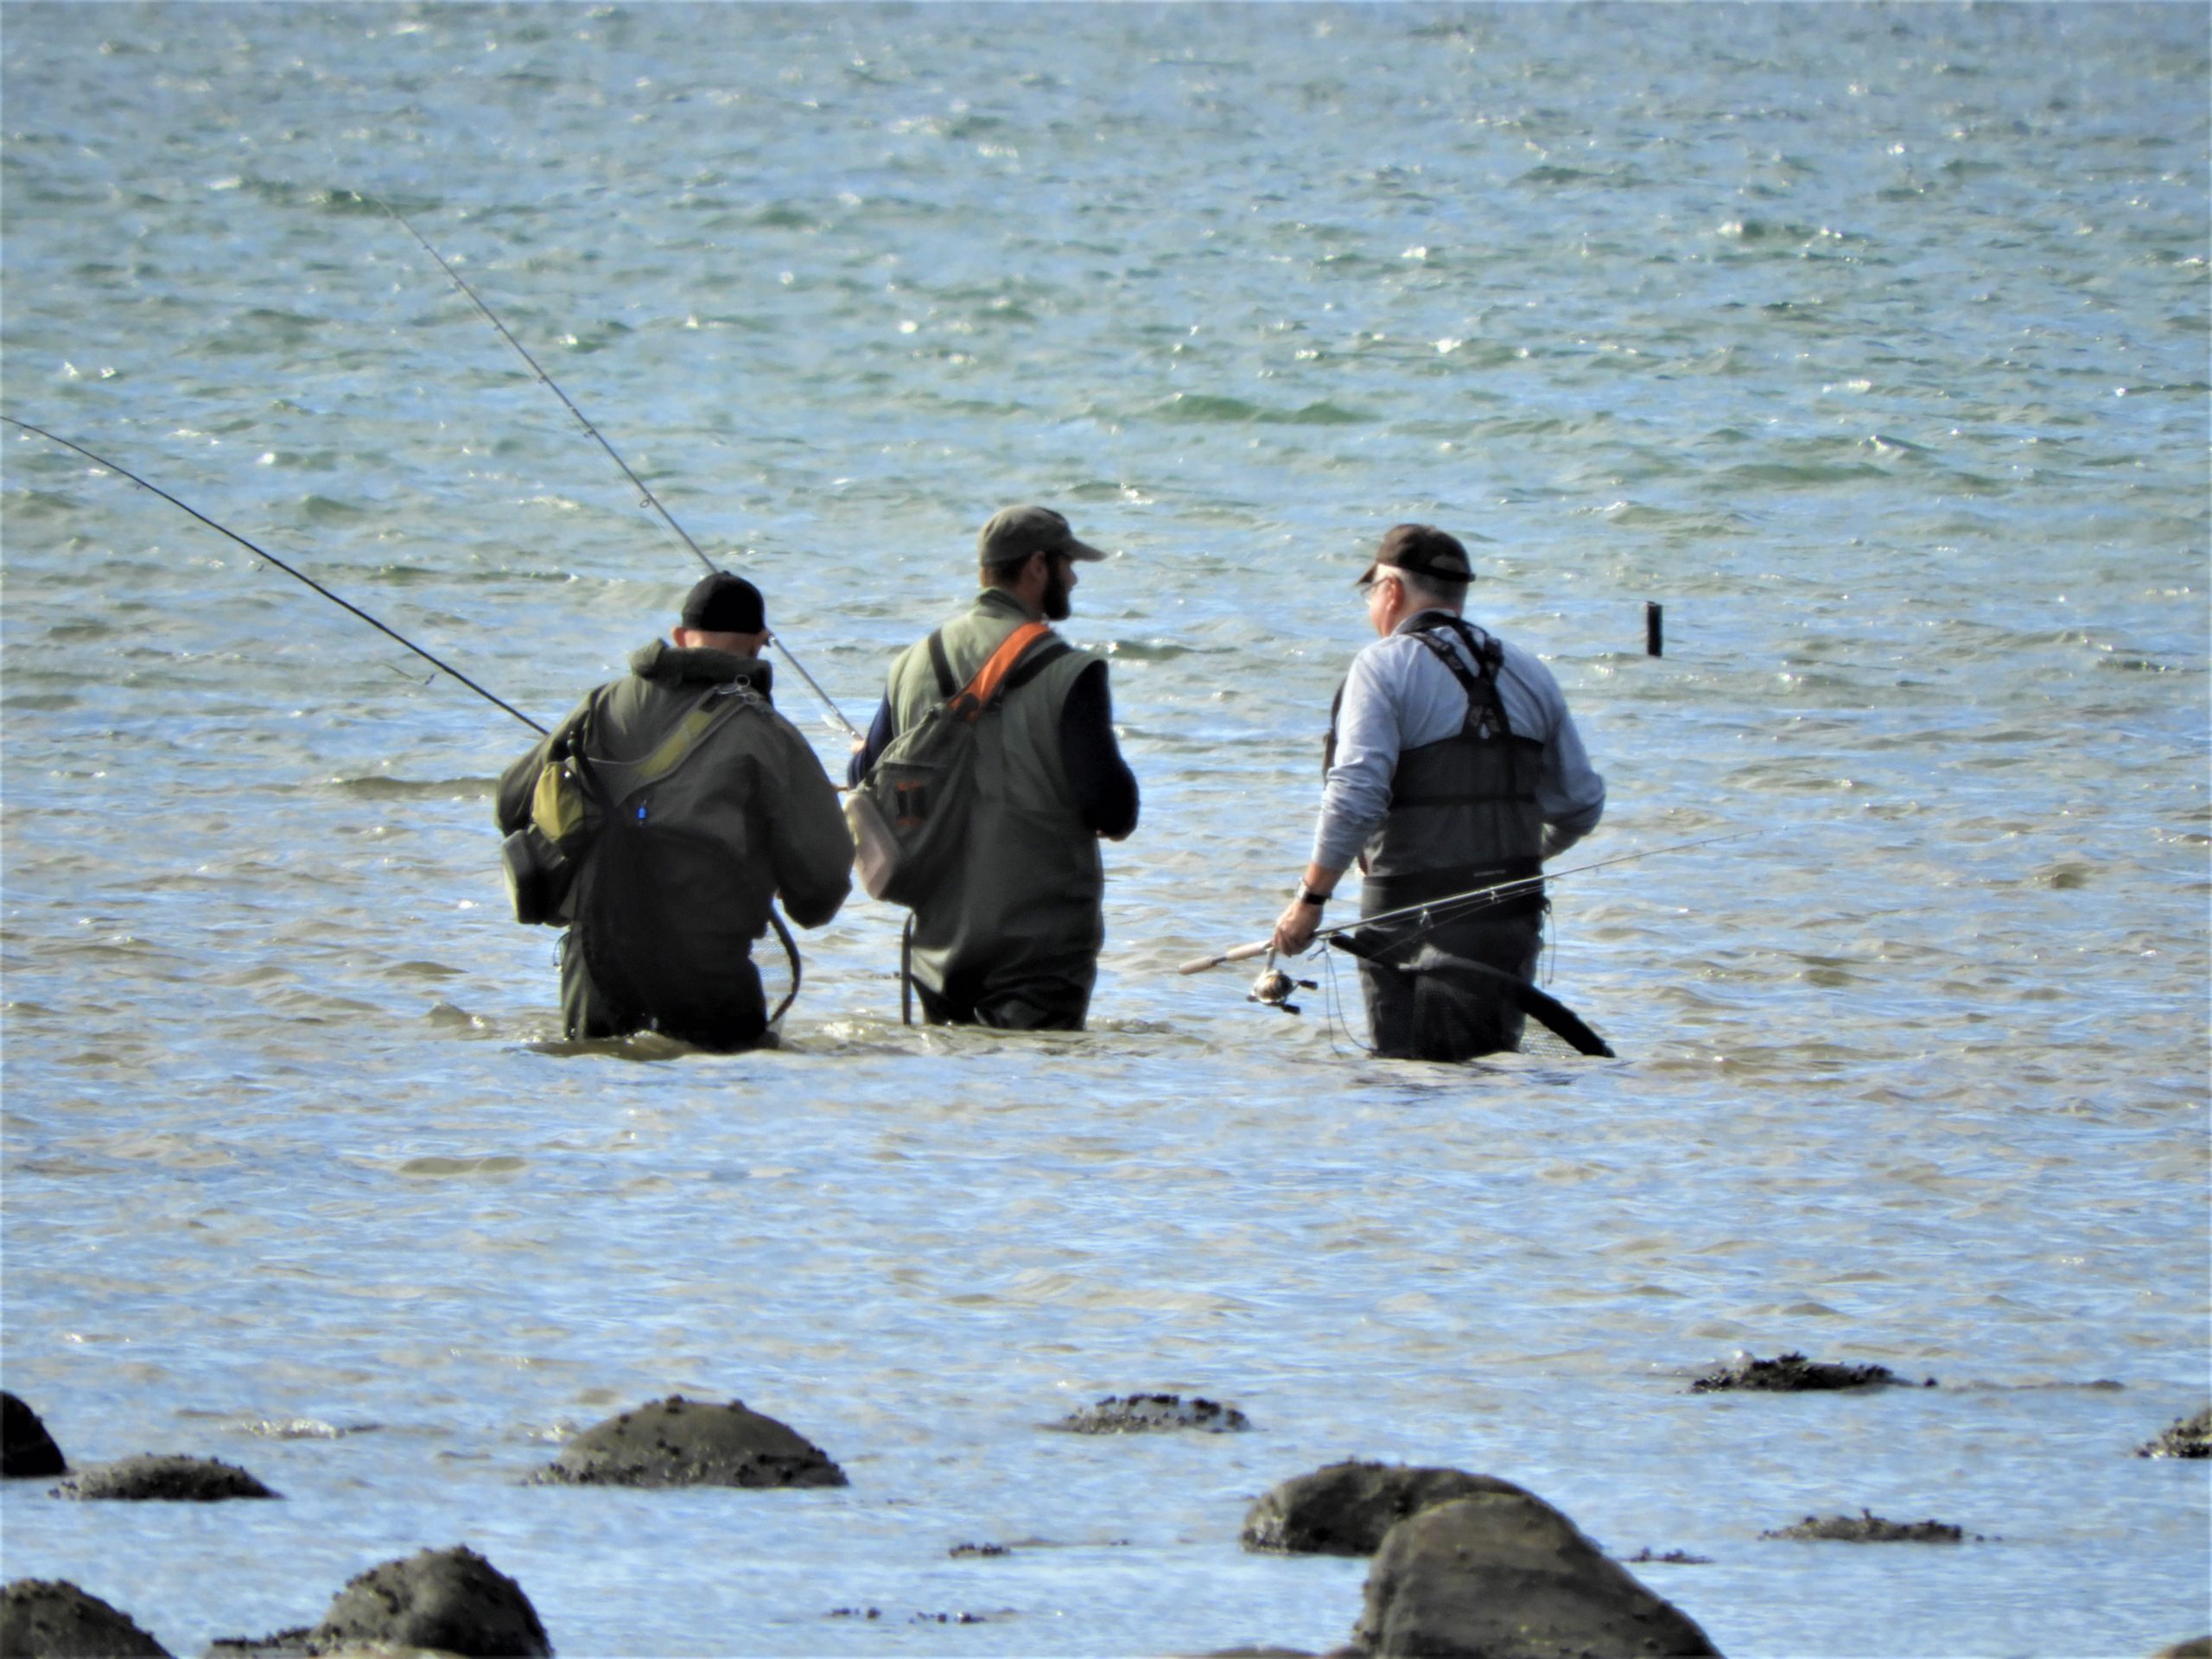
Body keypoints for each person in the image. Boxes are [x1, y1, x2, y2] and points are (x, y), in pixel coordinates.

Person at [1272, 524, 1605, 1059]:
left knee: (1409, 1081)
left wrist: (1310, 902)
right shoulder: (1530, 671)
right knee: (1487, 1069)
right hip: (1511, 913)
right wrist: (1524, 854)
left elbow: (1356, 794)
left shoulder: (1382, 666)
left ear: (1392, 591)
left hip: (1407, 914)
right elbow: (1581, 805)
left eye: (1371, 593)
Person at [496, 571, 851, 1050]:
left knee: (598, 1086)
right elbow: (822, 883)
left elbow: (510, 804)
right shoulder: (764, 729)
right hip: (710, 977)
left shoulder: (599, 706)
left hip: (593, 971)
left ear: (681, 637)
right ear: (760, 644)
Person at [849, 505, 1139, 1029]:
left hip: (938, 947)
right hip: (1040, 949)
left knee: (960, 1103)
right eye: (1066, 563)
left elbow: (864, 782)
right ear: (1035, 567)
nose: (1073, 577)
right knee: (1031, 1103)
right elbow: (1111, 810)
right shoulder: (1071, 671)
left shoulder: (913, 660)